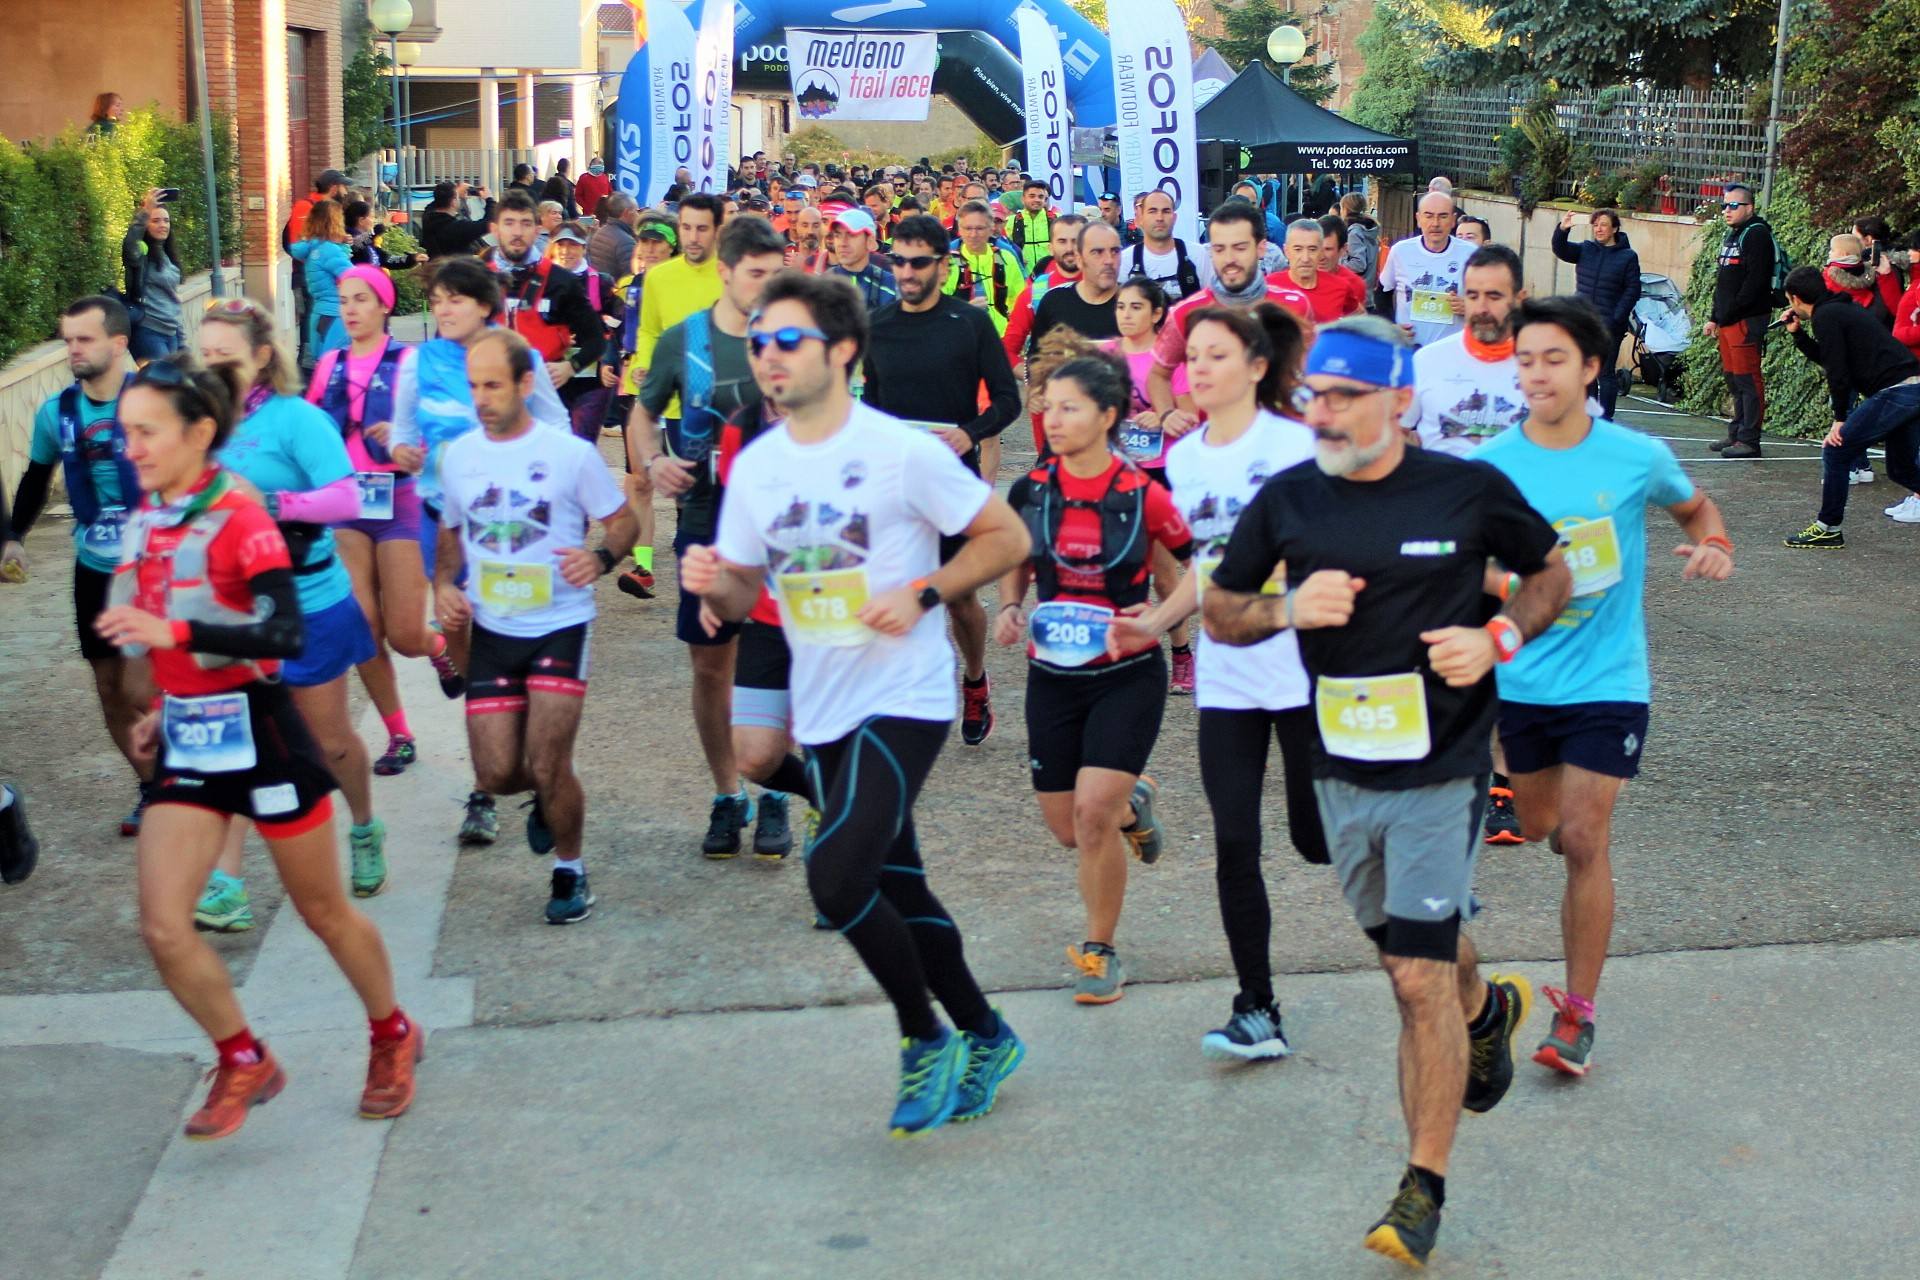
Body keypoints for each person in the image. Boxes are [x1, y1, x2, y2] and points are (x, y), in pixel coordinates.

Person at [1204, 315, 1572, 1269]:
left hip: (1442, 769)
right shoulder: (1286, 502)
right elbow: (1219, 609)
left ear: (1400, 401)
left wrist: (1497, 641)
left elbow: (1552, 574)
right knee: (1419, 957)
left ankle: (1422, 1184)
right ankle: (1486, 1008)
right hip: (1339, 772)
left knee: (1412, 982)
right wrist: (1286, 609)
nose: (1320, 414)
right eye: (1314, 396)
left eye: (1343, 398)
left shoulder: (1467, 490)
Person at [685, 270, 1031, 1136]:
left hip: (904, 694)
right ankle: (988, 1033)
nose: (767, 354)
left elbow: (1007, 537)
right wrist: (712, 585)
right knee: (899, 885)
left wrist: (923, 593)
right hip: (826, 700)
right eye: (758, 340)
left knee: (835, 877)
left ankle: (925, 1037)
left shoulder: (900, 450)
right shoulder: (759, 465)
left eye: (787, 340)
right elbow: (736, 599)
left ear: (841, 351)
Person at [100, 352, 419, 1141]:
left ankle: (392, 1034)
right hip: (192, 740)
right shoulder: (147, 521)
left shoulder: (242, 517)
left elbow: (279, 632)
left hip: (265, 734)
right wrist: (163, 706)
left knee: (322, 911)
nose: (130, 447)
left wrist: (173, 633)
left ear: (199, 432)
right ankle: (243, 1056)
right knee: (165, 926)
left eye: (146, 432)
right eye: (125, 432)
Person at [1476, 295, 1733, 1080]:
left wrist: (1713, 543)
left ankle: (1577, 1014)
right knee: (1544, 823)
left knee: (1585, 839)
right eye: (1525, 360)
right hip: (1523, 682)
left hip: (1609, 678)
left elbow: (1695, 508)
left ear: (1591, 367)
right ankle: (1524, 805)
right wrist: (1514, 584)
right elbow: (1467, 566)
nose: (1537, 374)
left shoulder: (1635, 456)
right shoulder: (1490, 465)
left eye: (1554, 358)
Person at [1109, 302, 1325, 1054]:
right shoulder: (1189, 456)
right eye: (1190, 356)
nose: (1195, 369)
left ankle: (1424, 863)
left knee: (1316, 839)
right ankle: (1257, 1007)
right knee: (1236, 840)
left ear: (1258, 368)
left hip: (1303, 671)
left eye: (1215, 357)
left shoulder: (1298, 446)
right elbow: (1208, 567)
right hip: (1228, 677)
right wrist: (1159, 619)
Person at [997, 348, 1190, 1004]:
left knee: (1090, 817)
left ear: (1108, 416)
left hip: (1126, 675)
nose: (1052, 418)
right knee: (1066, 828)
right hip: (1052, 674)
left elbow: (1204, 563)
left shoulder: (1144, 495)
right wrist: (1008, 606)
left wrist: (1161, 618)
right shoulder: (1032, 489)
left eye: (1069, 407)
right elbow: (1016, 554)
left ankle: (1100, 948)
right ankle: (1133, 799)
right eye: (1048, 405)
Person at [193, 298, 387, 925]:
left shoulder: (295, 420)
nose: (213, 366)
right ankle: (227, 883)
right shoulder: (197, 424)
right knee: (233, 743)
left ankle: (362, 827)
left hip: (309, 600)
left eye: (225, 355)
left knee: (327, 743)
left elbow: (346, 496)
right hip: (230, 608)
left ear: (261, 357)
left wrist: (270, 502)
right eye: (207, 356)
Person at [434, 330, 635, 922]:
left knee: (550, 762)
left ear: (526, 384)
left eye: (493, 385)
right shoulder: (460, 456)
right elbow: (449, 529)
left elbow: (622, 520)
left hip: (560, 623)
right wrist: (446, 584)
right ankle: (545, 801)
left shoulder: (569, 454)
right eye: (474, 386)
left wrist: (599, 559)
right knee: (497, 774)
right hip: (494, 629)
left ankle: (570, 872)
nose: (481, 398)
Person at [391, 257, 573, 846]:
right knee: (462, 631)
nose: (443, 309)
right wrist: (403, 451)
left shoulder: (519, 358)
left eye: (456, 299)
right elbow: (400, 431)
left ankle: (489, 788)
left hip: (509, 522)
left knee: (508, 634)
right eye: (438, 299)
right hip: (442, 519)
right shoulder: (418, 361)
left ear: (485, 306)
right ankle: (493, 736)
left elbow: (561, 427)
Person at [627, 216, 787, 856]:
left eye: (778, 274)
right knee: (710, 666)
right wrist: (652, 462)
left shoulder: (793, 338)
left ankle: (777, 789)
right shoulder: (681, 340)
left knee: (778, 662)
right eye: (758, 274)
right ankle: (728, 794)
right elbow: (641, 414)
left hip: (780, 528)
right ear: (725, 272)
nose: (770, 286)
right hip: (704, 519)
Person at [863, 214, 1022, 748]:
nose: (906, 272)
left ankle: (974, 679)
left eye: (918, 262)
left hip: (952, 481)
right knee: (891, 592)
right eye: (899, 261)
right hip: (893, 485)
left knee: (958, 600)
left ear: (943, 264)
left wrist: (966, 434)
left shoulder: (969, 324)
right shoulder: (878, 326)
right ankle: (901, 702)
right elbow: (872, 407)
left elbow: (1007, 400)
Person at [5, 295, 156, 835]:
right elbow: (35, 478)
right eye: (68, 340)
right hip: (94, 565)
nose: (73, 350)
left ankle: (189, 781)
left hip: (155, 564)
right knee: (110, 690)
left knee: (143, 690)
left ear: (118, 344)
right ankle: (152, 787)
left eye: (84, 339)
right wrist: (13, 537)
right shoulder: (58, 412)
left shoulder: (159, 401)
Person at [305, 266, 460, 777]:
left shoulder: (410, 362)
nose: (350, 310)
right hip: (348, 505)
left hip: (400, 501)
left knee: (405, 634)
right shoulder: (328, 364)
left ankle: (437, 647)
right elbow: (308, 430)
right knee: (363, 628)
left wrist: (407, 438)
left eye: (361, 300)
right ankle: (399, 734)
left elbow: (437, 430)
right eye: (345, 300)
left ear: (384, 306)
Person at [1778, 266, 1920, 549]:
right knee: (1901, 469)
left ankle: (1828, 527)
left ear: (1794, 299)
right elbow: (1833, 358)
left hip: (1897, 390)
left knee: (1835, 449)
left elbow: (1838, 373)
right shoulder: (1839, 309)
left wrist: (1840, 418)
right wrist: (1798, 335)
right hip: (1910, 387)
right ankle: (1828, 527)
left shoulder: (1826, 316)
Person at [1147, 202, 1311, 434]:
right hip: (1214, 448)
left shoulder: (1295, 305)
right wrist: (1166, 414)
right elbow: (1158, 374)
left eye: (1240, 247)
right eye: (1219, 249)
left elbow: (1309, 374)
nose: (1229, 258)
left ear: (1261, 247)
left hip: (1279, 447)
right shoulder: (1186, 312)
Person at [489, 192, 606, 413]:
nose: (517, 232)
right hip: (490, 395)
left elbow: (596, 340)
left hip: (546, 396)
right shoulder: (476, 276)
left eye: (525, 224)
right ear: (495, 229)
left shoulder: (561, 280)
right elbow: (449, 338)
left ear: (537, 230)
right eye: (509, 223)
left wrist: (571, 367)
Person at [1703, 184, 1776, 459]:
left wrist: (1730, 313)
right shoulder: (1734, 235)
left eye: (1734, 206)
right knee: (1734, 380)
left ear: (1750, 208)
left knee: (1748, 380)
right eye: (1724, 206)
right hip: (1728, 320)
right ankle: (1736, 434)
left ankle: (1749, 440)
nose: (1727, 211)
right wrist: (1715, 317)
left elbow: (1754, 283)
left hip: (1746, 319)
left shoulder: (1757, 235)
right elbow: (1724, 282)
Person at [1552, 209, 1642, 416]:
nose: (1598, 229)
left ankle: (1605, 419)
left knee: (1604, 373)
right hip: (1583, 322)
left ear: (1615, 228)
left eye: (1603, 224)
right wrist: (1563, 229)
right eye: (1595, 225)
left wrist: (1616, 317)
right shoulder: (1586, 249)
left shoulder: (1628, 257)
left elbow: (1632, 290)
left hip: (1610, 324)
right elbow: (1561, 249)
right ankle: (1588, 416)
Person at [548, 222, 622, 441]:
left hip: (592, 378)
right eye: (560, 245)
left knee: (582, 442)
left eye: (573, 245)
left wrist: (608, 359)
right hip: (551, 375)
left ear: (583, 248)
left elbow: (619, 323)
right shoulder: (538, 282)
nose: (566, 251)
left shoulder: (600, 282)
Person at [1379, 191, 1475, 348]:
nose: (1435, 223)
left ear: (1453, 220)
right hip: (1409, 348)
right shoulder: (1401, 251)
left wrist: (1470, 307)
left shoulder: (1471, 254)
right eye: (1429, 216)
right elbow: (1382, 293)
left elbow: (1487, 300)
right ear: (1418, 219)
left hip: (1452, 350)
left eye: (1443, 216)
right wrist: (1389, 326)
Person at [1000, 214, 1086, 369]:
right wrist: (1034, 378)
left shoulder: (1105, 288)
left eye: (1076, 241)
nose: (1069, 248)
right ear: (1050, 248)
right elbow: (1008, 351)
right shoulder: (1033, 295)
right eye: (1062, 241)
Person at [1030, 220, 1124, 351]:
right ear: (1079, 259)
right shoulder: (1054, 301)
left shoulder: (1137, 302)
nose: (1108, 260)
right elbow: (1035, 362)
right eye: (1097, 252)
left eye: (1115, 251)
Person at [945, 200, 1029, 339]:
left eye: (979, 228)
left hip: (1000, 338)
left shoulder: (1006, 258)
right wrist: (964, 310)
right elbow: (935, 308)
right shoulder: (947, 262)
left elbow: (1020, 300)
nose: (973, 234)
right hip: (960, 339)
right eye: (968, 228)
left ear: (991, 229)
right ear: (959, 229)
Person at [123, 191, 185, 362]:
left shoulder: (166, 254)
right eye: (155, 220)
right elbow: (129, 246)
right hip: (148, 331)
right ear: (146, 225)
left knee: (177, 384)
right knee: (162, 385)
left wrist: (181, 339)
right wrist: (145, 211)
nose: (162, 225)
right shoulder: (141, 252)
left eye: (166, 220)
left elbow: (171, 298)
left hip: (171, 330)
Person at [292, 199, 354, 359]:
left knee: (323, 365)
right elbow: (355, 279)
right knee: (337, 366)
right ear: (335, 221)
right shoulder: (329, 250)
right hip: (335, 316)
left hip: (321, 314)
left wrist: (342, 246)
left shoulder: (314, 248)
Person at [1272, 217, 1364, 323]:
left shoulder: (1342, 286)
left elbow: (1361, 321)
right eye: (1298, 249)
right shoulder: (1268, 287)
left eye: (1312, 249)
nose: (1305, 258)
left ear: (1320, 252)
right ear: (1286, 251)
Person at [1126, 190, 1211, 301]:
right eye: (1152, 211)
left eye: (1166, 211)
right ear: (1141, 218)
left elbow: (1212, 304)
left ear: (1174, 217)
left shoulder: (1197, 255)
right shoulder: (1125, 261)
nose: (1159, 218)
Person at [825, 209, 899, 309]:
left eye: (851, 235)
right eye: (838, 235)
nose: (842, 243)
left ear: (870, 241)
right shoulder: (822, 285)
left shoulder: (891, 285)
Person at [420, 180, 495, 259]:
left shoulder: (428, 218)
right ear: (453, 201)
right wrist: (489, 198)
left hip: (436, 268)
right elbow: (489, 223)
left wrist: (455, 193)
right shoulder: (457, 228)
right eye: (457, 198)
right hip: (456, 269)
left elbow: (436, 202)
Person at [1316, 214, 1371, 317]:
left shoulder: (1354, 284)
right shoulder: (1298, 277)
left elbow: (1355, 327)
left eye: (1328, 249)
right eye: (1316, 248)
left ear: (1343, 250)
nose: (1320, 256)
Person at [1006, 179, 1056, 275]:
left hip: (1049, 276)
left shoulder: (1056, 219)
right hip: (1023, 277)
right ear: (1023, 199)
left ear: (1045, 200)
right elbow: (1006, 248)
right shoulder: (1011, 221)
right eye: (1032, 196)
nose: (1036, 199)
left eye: (1040, 197)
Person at [588, 193, 641, 280]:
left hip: (600, 287)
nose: (638, 215)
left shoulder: (600, 231)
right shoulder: (626, 241)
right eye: (637, 210)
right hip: (615, 290)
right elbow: (630, 278)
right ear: (627, 213)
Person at [1340, 192, 1382, 289]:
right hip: (1367, 288)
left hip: (1356, 290)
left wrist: (1337, 264)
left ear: (1346, 210)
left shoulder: (1354, 232)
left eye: (1341, 208)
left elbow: (1358, 264)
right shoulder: (1369, 229)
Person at [573, 158, 612, 225]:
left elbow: (610, 193)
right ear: (592, 164)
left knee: (602, 233)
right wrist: (586, 207)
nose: (602, 165)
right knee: (588, 232)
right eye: (599, 163)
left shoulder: (604, 177)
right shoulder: (583, 178)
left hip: (604, 215)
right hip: (588, 215)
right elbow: (577, 195)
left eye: (602, 163)